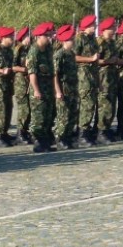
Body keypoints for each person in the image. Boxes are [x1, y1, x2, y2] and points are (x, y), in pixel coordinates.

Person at [27, 22, 56, 152]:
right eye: (47, 36)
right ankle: (38, 142)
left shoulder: (49, 49)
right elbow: (32, 73)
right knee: (38, 116)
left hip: (48, 87)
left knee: (48, 115)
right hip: (38, 87)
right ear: (39, 37)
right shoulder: (34, 51)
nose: (50, 38)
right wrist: (36, 90)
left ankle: (45, 141)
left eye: (50, 35)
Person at [74, 15, 100, 147]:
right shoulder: (80, 38)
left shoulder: (92, 39)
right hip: (83, 75)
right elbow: (74, 56)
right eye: (93, 25)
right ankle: (82, 133)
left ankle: (86, 131)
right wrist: (90, 59)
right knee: (86, 103)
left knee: (91, 103)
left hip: (92, 74)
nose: (95, 26)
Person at [53, 24, 78, 150]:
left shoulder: (71, 54)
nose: (73, 42)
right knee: (63, 114)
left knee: (72, 114)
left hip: (72, 88)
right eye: (71, 40)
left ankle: (67, 136)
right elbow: (55, 75)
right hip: (63, 88)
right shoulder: (59, 55)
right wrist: (58, 91)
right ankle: (60, 138)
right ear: (64, 41)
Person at [96, 17, 119, 143]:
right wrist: (109, 61)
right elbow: (96, 60)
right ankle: (101, 131)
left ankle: (107, 128)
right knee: (104, 103)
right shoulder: (101, 42)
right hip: (103, 76)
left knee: (111, 103)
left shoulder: (111, 42)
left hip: (112, 76)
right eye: (112, 27)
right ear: (105, 29)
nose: (115, 29)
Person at [13, 27, 33, 145]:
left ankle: (25, 131)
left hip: (29, 79)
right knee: (23, 107)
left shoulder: (30, 49)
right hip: (21, 80)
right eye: (27, 36)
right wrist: (25, 69)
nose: (29, 38)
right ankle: (20, 133)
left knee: (29, 107)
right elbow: (13, 66)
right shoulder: (18, 49)